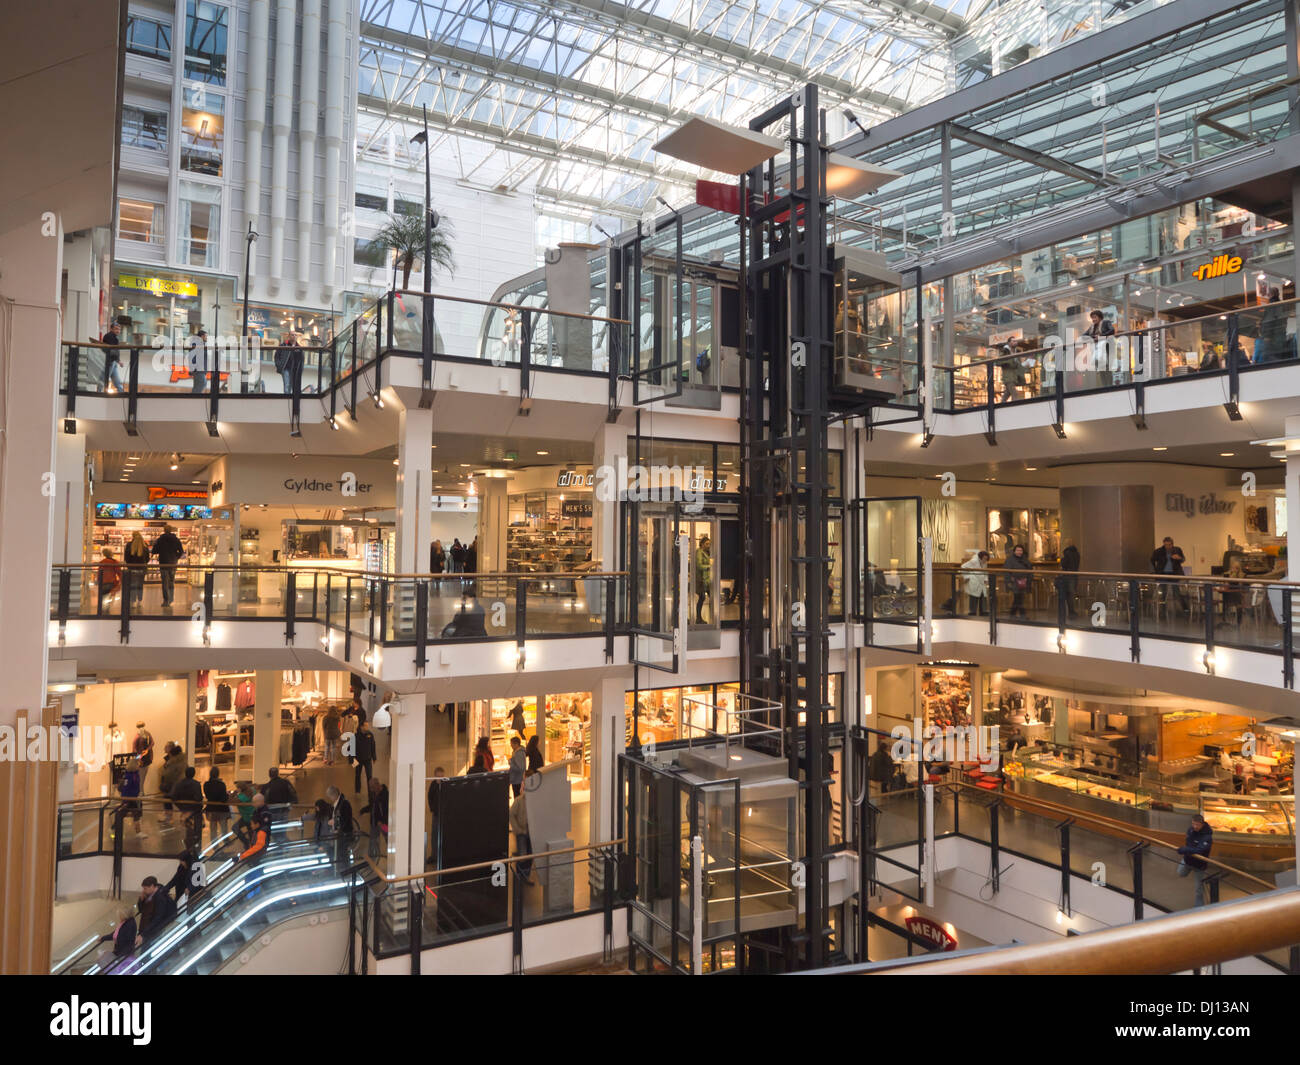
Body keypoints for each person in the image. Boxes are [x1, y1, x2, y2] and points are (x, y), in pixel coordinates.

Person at [1176, 813, 1214, 906]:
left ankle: (1199, 908)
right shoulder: (1190, 830)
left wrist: (1185, 849)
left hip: (1199, 865)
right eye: (1193, 824)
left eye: (1197, 824)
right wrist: (1187, 851)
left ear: (1202, 824)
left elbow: (1200, 850)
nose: (1195, 826)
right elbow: (1189, 843)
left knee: (1198, 889)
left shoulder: (1207, 837)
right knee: (1180, 873)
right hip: (1188, 860)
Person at [1151, 536, 1190, 616]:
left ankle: (1185, 610)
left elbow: (1183, 559)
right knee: (1163, 594)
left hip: (1174, 575)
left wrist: (1179, 558)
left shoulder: (1177, 550)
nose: (1167, 546)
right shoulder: (1158, 551)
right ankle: (1163, 612)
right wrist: (1156, 571)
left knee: (1177, 593)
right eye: (1166, 545)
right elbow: (1152, 560)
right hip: (1163, 575)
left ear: (1172, 544)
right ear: (1163, 544)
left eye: (1169, 545)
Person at [150, 524, 185, 609]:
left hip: (163, 563)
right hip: (173, 563)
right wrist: (176, 557)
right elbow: (181, 551)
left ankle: (166, 600)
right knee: (171, 581)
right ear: (171, 530)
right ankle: (171, 598)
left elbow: (154, 551)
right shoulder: (176, 539)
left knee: (164, 582)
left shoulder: (160, 540)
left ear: (164, 530)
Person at [171, 765, 205, 850]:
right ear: (193, 774)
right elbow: (198, 798)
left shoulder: (179, 784)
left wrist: (181, 807)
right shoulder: (196, 784)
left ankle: (188, 850)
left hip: (184, 811)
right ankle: (196, 850)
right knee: (197, 832)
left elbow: (174, 797)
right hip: (195, 812)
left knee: (187, 832)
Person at [137, 876, 177, 944]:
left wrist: (144, 933)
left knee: (148, 947)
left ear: (152, 886)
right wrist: (141, 900)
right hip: (148, 928)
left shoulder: (160, 897)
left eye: (145, 888)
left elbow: (158, 917)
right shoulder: (149, 894)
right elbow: (141, 910)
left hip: (155, 929)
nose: (143, 890)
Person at [1082, 309, 1116, 386]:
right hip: (1097, 350)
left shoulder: (1106, 322)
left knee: (1107, 368)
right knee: (1101, 369)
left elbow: (1112, 330)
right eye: (1092, 318)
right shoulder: (1092, 327)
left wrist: (1100, 337)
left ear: (1100, 317)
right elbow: (1083, 335)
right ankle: (1105, 386)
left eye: (1095, 317)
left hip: (1107, 349)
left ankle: (1110, 386)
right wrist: (1093, 337)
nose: (1093, 319)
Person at [235, 793, 272, 863]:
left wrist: (242, 856)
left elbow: (257, 847)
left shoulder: (261, 832)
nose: (251, 826)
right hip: (257, 856)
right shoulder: (258, 811)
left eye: (252, 824)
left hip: (258, 857)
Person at [325, 784, 354, 867]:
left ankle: (346, 870)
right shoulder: (340, 803)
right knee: (341, 853)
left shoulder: (344, 804)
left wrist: (335, 822)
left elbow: (346, 819)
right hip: (341, 834)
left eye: (330, 797)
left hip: (344, 834)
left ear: (334, 795)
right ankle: (344, 870)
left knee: (343, 854)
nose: (330, 799)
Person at [360, 777, 389, 861]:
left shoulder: (385, 795)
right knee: (373, 840)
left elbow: (387, 811)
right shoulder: (374, 794)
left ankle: (392, 856)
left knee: (387, 838)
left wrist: (382, 821)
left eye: (372, 787)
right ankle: (372, 858)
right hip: (374, 823)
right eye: (370, 787)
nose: (371, 789)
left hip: (383, 824)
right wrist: (363, 810)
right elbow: (372, 806)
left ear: (377, 784)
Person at [509, 786, 533, 883]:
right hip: (521, 833)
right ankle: (519, 875)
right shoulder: (519, 801)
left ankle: (526, 875)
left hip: (531, 832)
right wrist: (517, 829)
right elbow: (511, 815)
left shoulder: (534, 800)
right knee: (522, 854)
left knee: (530, 854)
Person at [158, 742, 186, 824]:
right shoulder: (178, 759)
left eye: (166, 747)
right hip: (175, 784)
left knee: (172, 799)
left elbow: (169, 774)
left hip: (174, 785)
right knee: (171, 800)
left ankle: (184, 815)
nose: (164, 749)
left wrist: (165, 770)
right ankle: (171, 817)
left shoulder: (174, 761)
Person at [1003, 543, 1032, 617]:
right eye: (1018, 550)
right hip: (1014, 582)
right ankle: (1022, 614)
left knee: (1019, 598)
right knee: (1018, 597)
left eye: (1021, 550)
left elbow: (1030, 570)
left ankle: (1013, 614)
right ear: (1014, 551)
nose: (1019, 552)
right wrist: (1009, 581)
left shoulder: (1025, 560)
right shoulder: (1010, 560)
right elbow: (1006, 571)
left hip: (1024, 582)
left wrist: (1028, 579)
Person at [124, 531, 150, 608]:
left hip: (132, 569)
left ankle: (132, 602)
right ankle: (139, 601)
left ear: (133, 536)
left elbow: (126, 558)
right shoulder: (145, 546)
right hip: (142, 569)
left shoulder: (129, 545)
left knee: (132, 585)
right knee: (140, 585)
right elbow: (147, 559)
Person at [203, 765, 229, 840]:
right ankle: (225, 843)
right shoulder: (221, 784)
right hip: (221, 810)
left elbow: (208, 796)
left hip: (211, 809)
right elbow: (224, 799)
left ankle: (214, 846)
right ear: (218, 774)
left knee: (213, 829)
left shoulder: (206, 784)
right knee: (224, 829)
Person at [117, 756, 143, 833]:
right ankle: (138, 832)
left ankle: (113, 828)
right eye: (138, 764)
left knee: (126, 813)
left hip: (131, 798)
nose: (139, 765)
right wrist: (126, 799)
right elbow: (126, 788)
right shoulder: (130, 776)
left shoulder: (133, 775)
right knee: (135, 814)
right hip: (130, 798)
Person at [961, 550, 990, 615]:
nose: (985, 560)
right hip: (974, 580)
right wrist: (967, 576)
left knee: (983, 596)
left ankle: (983, 611)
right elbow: (963, 566)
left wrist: (986, 579)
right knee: (973, 596)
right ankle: (972, 612)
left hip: (981, 581)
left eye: (986, 559)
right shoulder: (974, 561)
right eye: (984, 558)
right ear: (980, 557)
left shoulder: (985, 562)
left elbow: (985, 571)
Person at [352, 720, 377, 794]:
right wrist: (352, 760)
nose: (367, 727)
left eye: (367, 725)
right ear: (361, 727)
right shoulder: (356, 736)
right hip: (358, 759)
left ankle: (370, 791)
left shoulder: (370, 735)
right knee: (357, 775)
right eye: (365, 726)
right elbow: (351, 748)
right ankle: (357, 790)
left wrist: (374, 757)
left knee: (369, 776)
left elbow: (373, 746)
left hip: (368, 759)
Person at [99, 321, 125, 393]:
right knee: (104, 379)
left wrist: (117, 360)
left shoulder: (112, 337)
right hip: (110, 362)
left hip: (112, 362)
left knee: (115, 381)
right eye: (116, 329)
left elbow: (114, 351)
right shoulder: (110, 336)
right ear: (111, 329)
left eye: (119, 329)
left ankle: (121, 393)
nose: (118, 331)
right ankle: (99, 393)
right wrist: (118, 361)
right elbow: (112, 351)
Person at [1058, 540, 1081, 618]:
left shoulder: (1067, 553)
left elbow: (1064, 564)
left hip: (1067, 576)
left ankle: (1067, 613)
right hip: (1075, 576)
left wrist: (1061, 560)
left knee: (1067, 595)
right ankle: (1072, 612)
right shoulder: (1077, 553)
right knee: (1071, 594)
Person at [96, 548, 122, 614]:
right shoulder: (115, 562)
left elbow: (99, 573)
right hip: (111, 582)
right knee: (109, 596)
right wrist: (121, 581)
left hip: (103, 582)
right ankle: (106, 611)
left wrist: (98, 581)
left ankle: (103, 610)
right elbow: (119, 573)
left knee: (103, 597)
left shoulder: (102, 562)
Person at [694, 534, 713, 624]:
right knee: (702, 598)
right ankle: (698, 618)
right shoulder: (699, 552)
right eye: (706, 544)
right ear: (701, 544)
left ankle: (708, 617)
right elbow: (699, 565)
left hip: (706, 580)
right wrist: (709, 566)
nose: (708, 546)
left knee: (707, 597)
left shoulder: (706, 553)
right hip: (701, 579)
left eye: (709, 544)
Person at [230, 780, 254, 847]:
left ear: (240, 788)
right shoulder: (250, 791)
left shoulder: (243, 796)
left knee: (235, 828)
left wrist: (234, 793)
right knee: (250, 832)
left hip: (247, 817)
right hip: (249, 815)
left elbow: (230, 800)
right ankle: (250, 845)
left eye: (237, 788)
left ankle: (246, 843)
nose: (236, 789)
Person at [187, 326, 209, 393]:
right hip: (199, 369)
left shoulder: (200, 345)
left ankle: (194, 400)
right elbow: (192, 357)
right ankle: (194, 400)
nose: (207, 338)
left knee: (199, 386)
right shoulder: (197, 344)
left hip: (200, 370)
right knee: (202, 384)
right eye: (206, 336)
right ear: (202, 336)